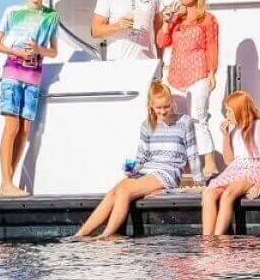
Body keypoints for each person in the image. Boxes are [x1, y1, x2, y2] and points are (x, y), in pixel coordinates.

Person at [74, 81, 199, 238]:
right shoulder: (147, 125)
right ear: (151, 106)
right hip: (147, 171)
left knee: (124, 191)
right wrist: (130, 169)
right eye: (159, 108)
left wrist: (199, 181)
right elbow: (142, 158)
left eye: (166, 106)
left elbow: (193, 153)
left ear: (171, 102)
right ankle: (80, 234)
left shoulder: (184, 122)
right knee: (115, 190)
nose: (163, 111)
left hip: (167, 172)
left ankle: (106, 235)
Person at [0, 0, 59, 197]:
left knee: (25, 130)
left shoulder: (51, 16)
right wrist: (15, 50)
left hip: (34, 74)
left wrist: (38, 49)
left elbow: (54, 51)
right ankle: (6, 182)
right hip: (12, 71)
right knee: (12, 127)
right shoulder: (12, 12)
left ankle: (8, 182)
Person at [157, 0, 220, 178]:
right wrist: (166, 22)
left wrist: (212, 72)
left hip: (199, 72)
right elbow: (162, 41)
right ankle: (184, 164)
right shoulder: (177, 18)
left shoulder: (208, 19)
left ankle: (209, 163)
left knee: (198, 117)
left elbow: (212, 46)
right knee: (178, 120)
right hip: (176, 74)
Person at [201, 91, 260, 236]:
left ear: (240, 111)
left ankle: (218, 238)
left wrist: (258, 184)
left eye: (229, 111)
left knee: (228, 194)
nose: (227, 115)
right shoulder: (234, 130)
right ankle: (207, 240)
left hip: (252, 168)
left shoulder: (259, 126)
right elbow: (229, 161)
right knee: (209, 192)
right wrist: (226, 136)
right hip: (235, 169)